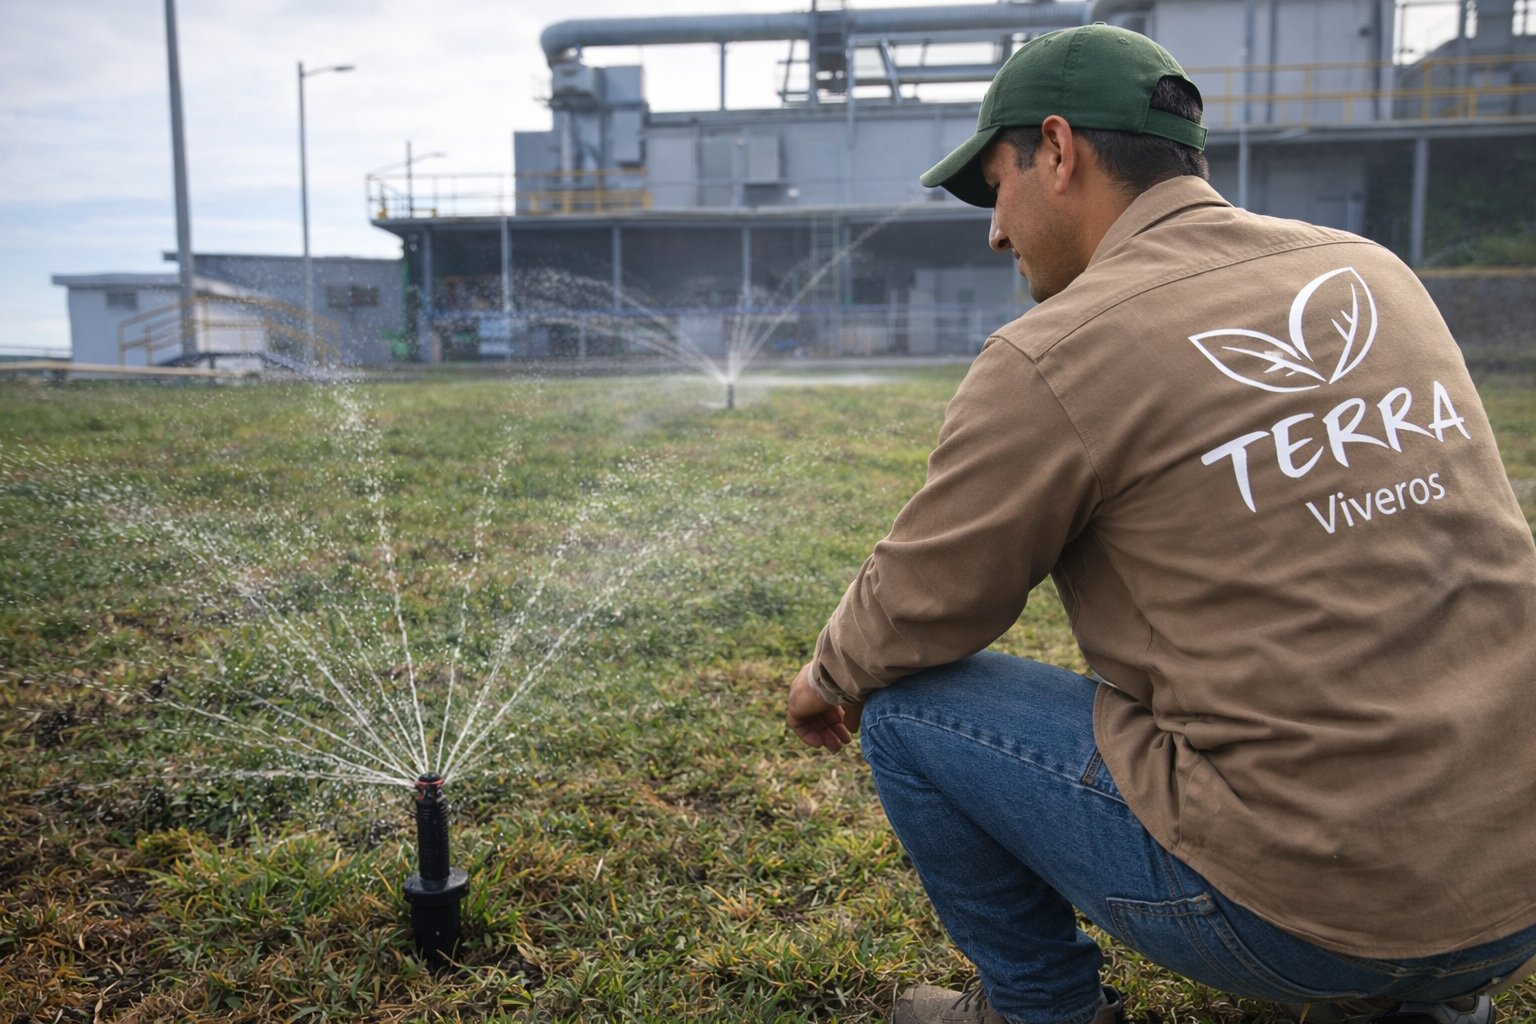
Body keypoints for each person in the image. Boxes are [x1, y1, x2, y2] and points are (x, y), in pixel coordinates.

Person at [785, 22, 1536, 1024]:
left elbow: (926, 599)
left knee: (912, 712)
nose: (996, 232)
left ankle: (1041, 1009)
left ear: (1058, 151)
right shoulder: (1374, 273)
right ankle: (1428, 999)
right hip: (1517, 891)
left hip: (1301, 920)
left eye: (996, 186)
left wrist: (827, 674)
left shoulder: (1056, 351)